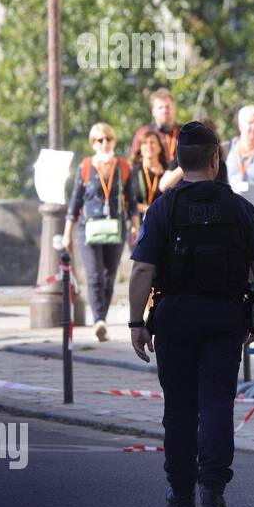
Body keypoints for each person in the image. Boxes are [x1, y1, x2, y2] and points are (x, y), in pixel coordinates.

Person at [127, 122, 254, 507]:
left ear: (177, 160)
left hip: (174, 316)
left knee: (179, 407)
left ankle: (181, 491)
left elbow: (142, 270)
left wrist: (135, 322)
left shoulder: (164, 208)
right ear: (216, 159)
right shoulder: (239, 208)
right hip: (225, 316)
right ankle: (212, 490)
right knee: (216, 403)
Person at [64, 122, 137, 343]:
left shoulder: (123, 167)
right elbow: (75, 201)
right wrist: (67, 232)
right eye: (99, 140)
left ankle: (102, 318)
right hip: (89, 228)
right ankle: (98, 320)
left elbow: (131, 201)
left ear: (114, 141)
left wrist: (134, 226)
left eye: (108, 139)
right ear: (93, 143)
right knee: (94, 275)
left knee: (109, 276)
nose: (104, 143)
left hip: (115, 227)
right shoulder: (85, 166)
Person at [129, 129, 169, 247]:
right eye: (144, 143)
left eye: (152, 142)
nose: (149, 146)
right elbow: (126, 200)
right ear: (140, 148)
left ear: (160, 147)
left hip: (164, 227)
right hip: (139, 226)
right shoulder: (133, 171)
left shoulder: (168, 171)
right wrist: (146, 209)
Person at [130, 88, 180, 166]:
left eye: (167, 107)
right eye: (160, 108)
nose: (164, 110)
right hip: (153, 176)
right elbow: (134, 163)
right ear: (153, 111)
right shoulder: (144, 133)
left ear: (174, 108)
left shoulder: (186, 132)